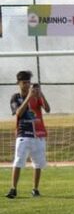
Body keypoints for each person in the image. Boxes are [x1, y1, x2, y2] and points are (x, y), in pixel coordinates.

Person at [7, 71, 49, 199]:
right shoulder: (16, 97)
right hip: (23, 134)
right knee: (18, 161)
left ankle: (35, 189)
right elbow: (18, 113)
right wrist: (29, 97)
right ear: (18, 83)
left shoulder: (36, 96)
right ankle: (13, 189)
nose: (26, 85)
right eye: (24, 82)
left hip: (38, 134)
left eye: (28, 82)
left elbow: (47, 109)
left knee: (38, 164)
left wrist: (40, 94)